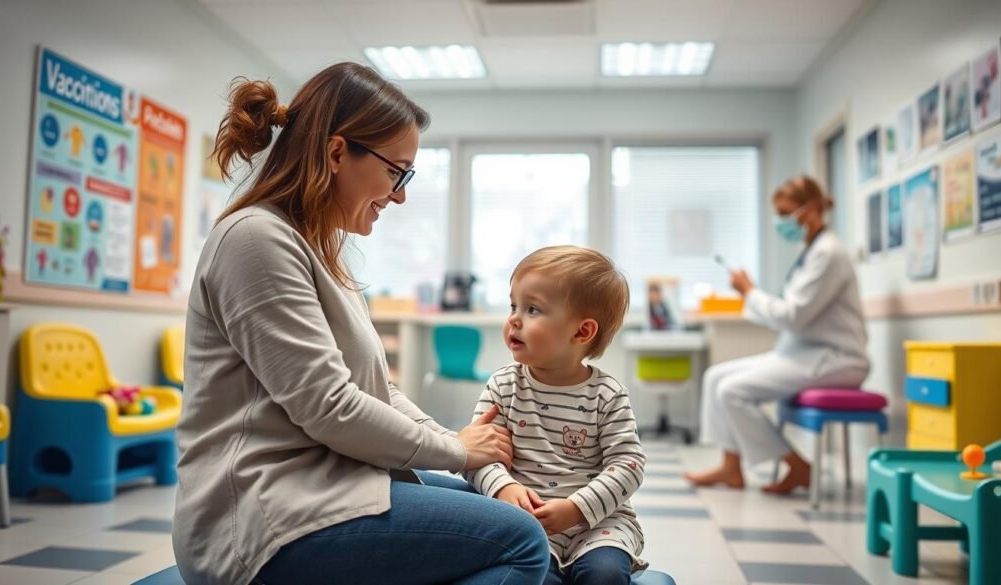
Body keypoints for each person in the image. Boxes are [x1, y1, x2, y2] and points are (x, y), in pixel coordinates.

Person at [173, 64, 550, 585]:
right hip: (264, 520)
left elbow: (374, 391)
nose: (399, 195)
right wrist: (458, 450)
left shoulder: (318, 251)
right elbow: (330, 406)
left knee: (485, 498)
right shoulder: (255, 241)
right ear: (335, 153)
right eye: (397, 171)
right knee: (521, 541)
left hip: (318, 486)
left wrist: (457, 448)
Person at [465, 246, 647, 585]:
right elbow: (477, 454)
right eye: (513, 305)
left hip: (599, 524)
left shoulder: (606, 395)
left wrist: (577, 508)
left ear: (581, 332)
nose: (514, 319)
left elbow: (629, 465)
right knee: (533, 577)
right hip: (525, 522)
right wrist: (503, 487)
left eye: (532, 309)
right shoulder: (503, 386)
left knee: (604, 574)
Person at [685, 175, 870, 493]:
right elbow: (790, 316)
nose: (781, 222)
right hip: (803, 351)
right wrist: (750, 295)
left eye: (786, 213)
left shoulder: (828, 254)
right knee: (715, 376)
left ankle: (798, 468)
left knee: (732, 391)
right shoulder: (812, 251)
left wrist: (749, 291)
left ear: (810, 210)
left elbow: (793, 317)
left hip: (836, 357)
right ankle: (731, 468)